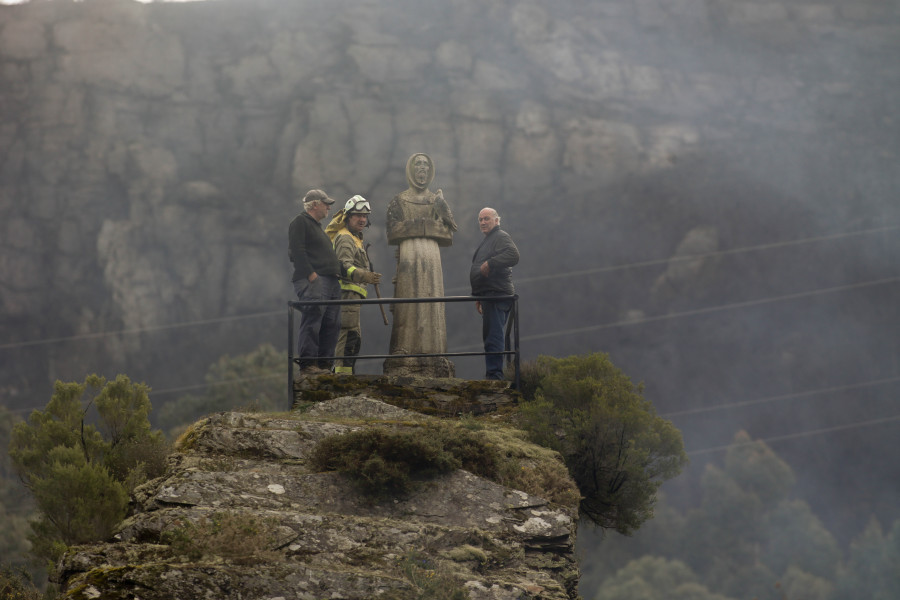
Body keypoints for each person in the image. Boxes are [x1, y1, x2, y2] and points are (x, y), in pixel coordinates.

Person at [383, 152, 458, 377]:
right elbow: (392, 230)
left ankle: (434, 356)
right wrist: (425, 226)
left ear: (431, 170)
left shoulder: (436, 200)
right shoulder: (398, 200)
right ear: (410, 169)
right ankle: (405, 356)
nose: (422, 168)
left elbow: (448, 232)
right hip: (408, 257)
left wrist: (419, 227)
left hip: (432, 259)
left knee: (432, 303)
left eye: (426, 165)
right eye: (418, 164)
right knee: (407, 304)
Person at [325, 195, 383, 374]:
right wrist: (365, 276)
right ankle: (341, 378)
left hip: (354, 296)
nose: (362, 219)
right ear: (348, 217)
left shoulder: (355, 237)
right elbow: (343, 266)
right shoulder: (345, 238)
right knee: (348, 335)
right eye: (358, 215)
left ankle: (346, 374)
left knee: (354, 337)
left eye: (365, 216)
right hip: (346, 294)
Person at [288, 189, 342, 375]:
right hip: (315, 281)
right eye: (326, 203)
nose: (329, 207)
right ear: (314, 204)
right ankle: (309, 364)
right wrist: (312, 276)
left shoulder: (317, 227)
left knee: (332, 324)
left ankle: (325, 366)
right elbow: (297, 251)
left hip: (332, 283)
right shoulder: (300, 222)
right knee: (313, 320)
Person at [470, 207, 519, 380]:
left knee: (494, 337)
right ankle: (493, 375)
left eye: (487, 219)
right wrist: (478, 295)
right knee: (491, 336)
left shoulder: (500, 236)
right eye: (480, 219)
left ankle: (495, 377)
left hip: (497, 295)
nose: (483, 222)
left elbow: (514, 255)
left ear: (497, 220)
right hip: (488, 296)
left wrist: (490, 263)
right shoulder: (490, 240)